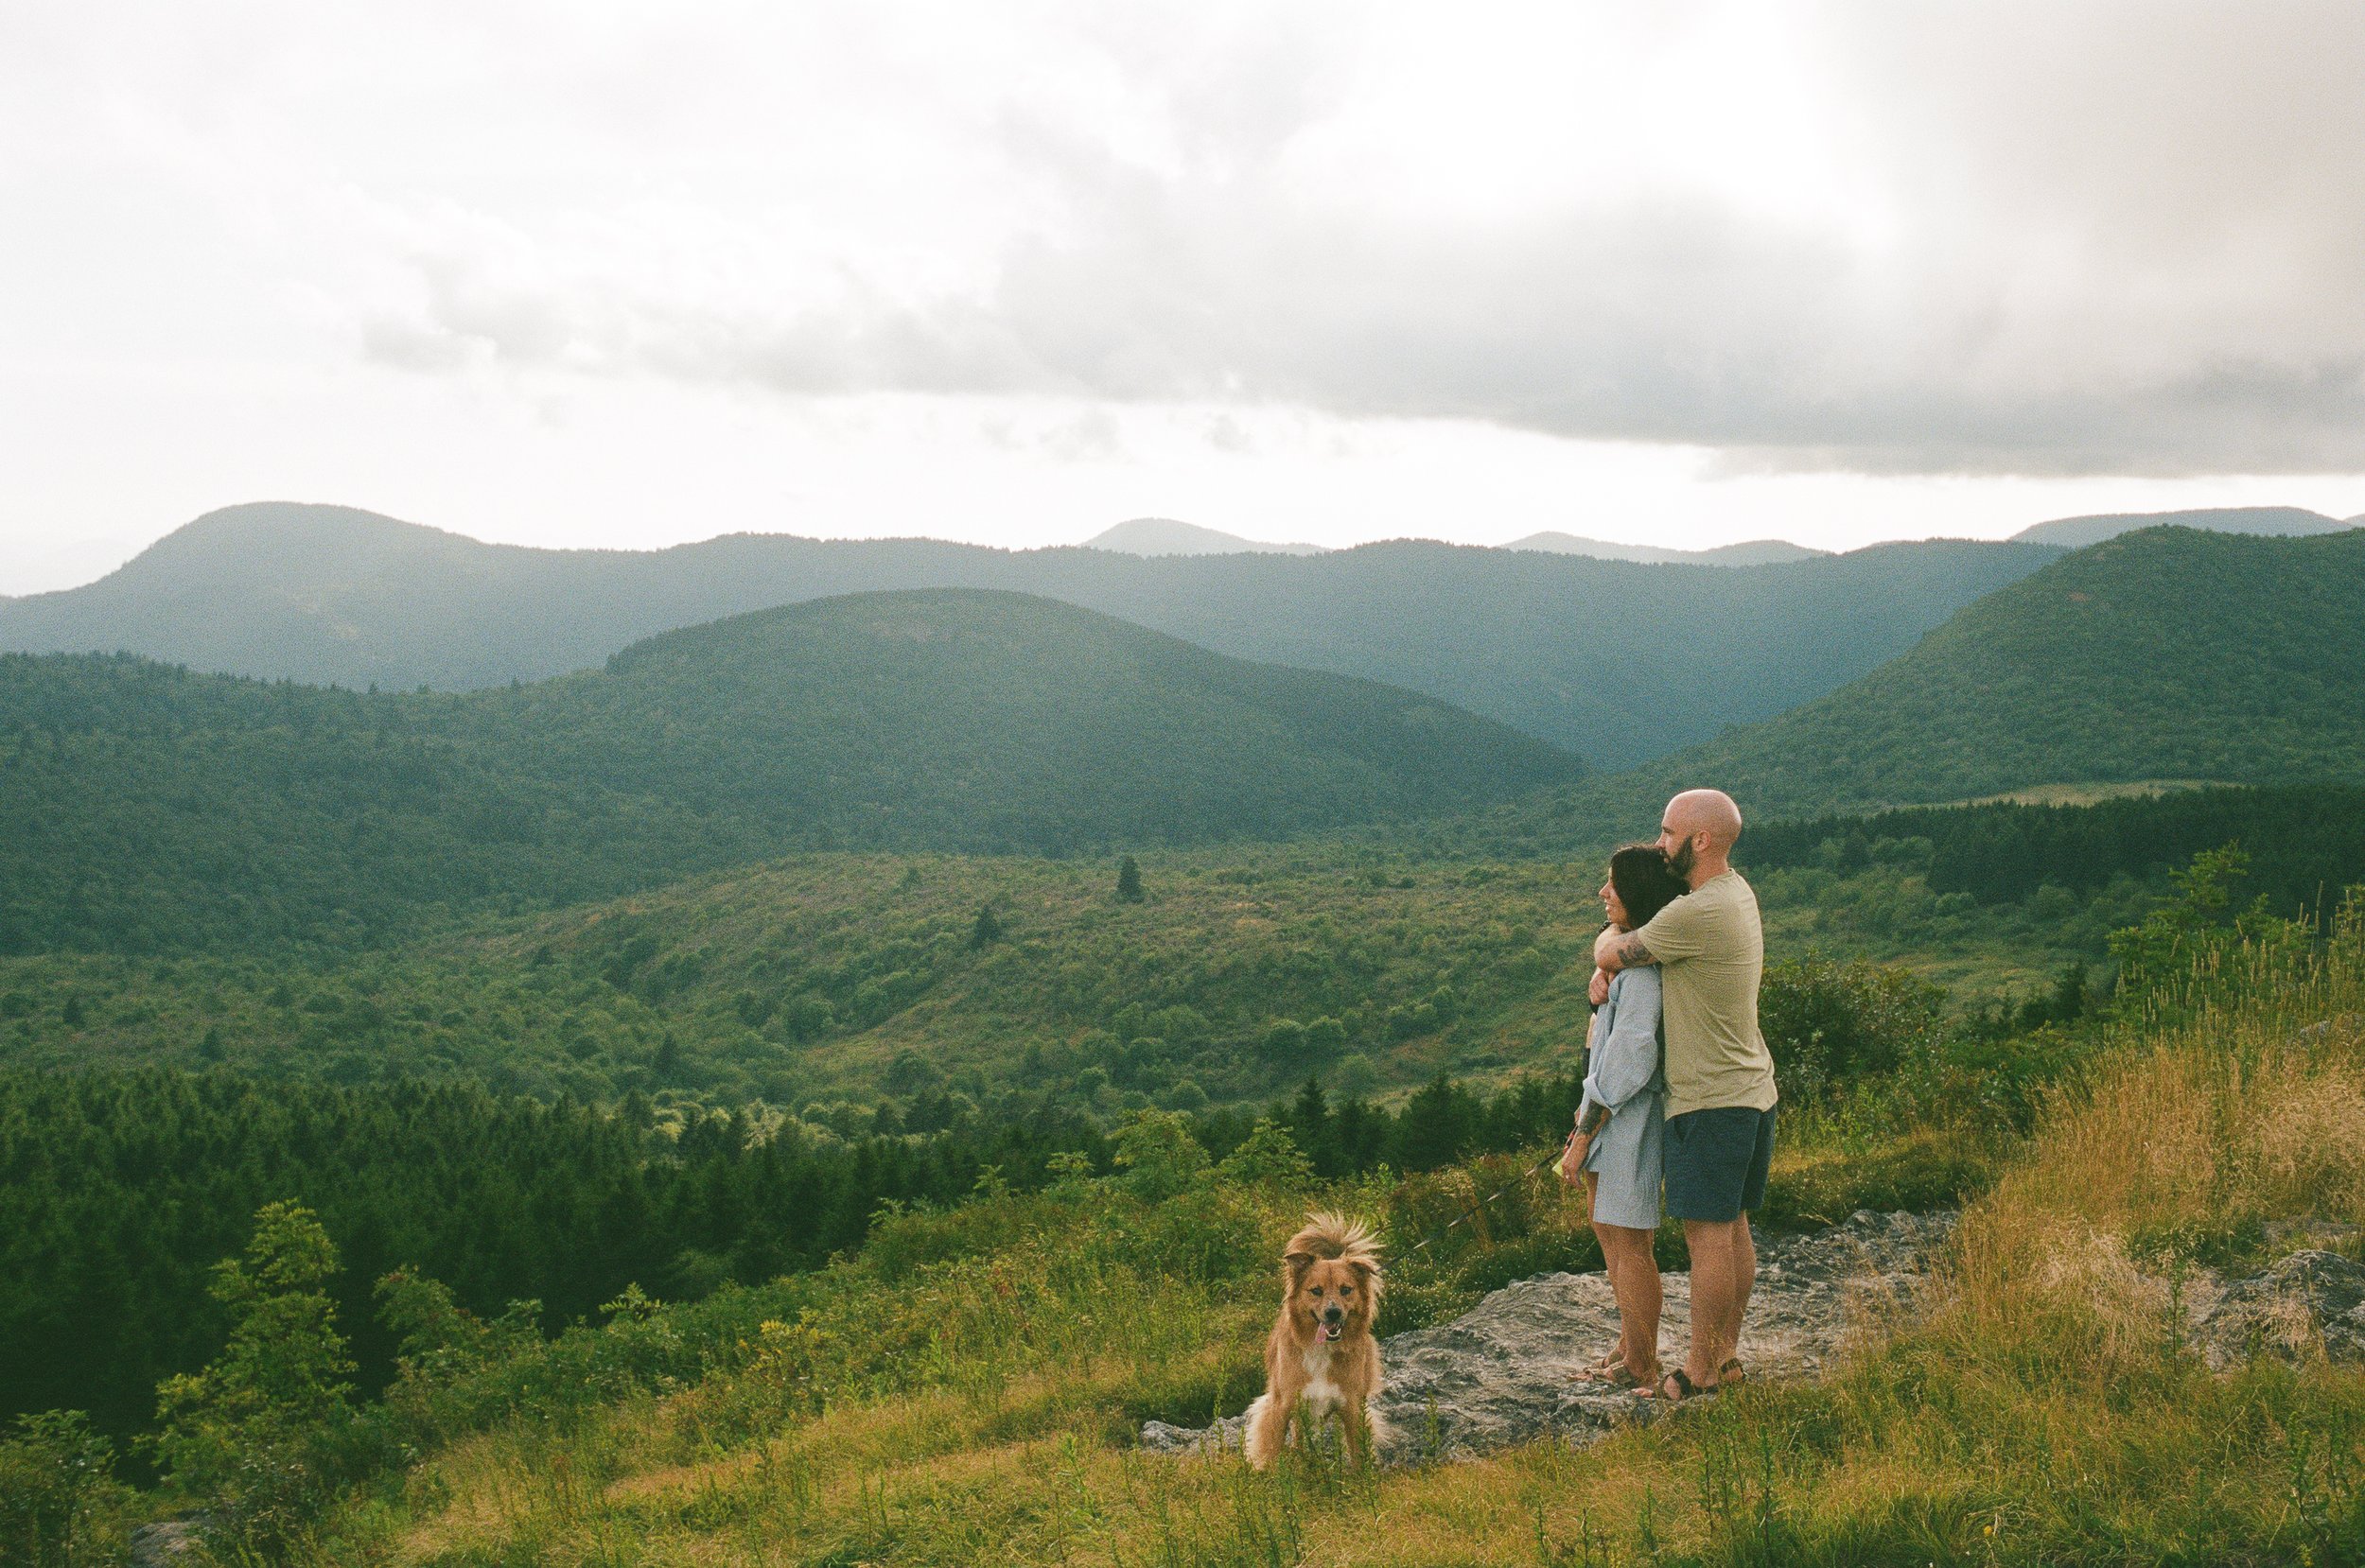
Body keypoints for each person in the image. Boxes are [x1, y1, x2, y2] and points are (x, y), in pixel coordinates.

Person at [1591, 789, 1778, 1403]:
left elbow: (1612, 947)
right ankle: (1724, 1357)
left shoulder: (1691, 915)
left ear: (1700, 840)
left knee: (1708, 1238)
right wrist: (1612, 963)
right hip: (1752, 1088)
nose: (1660, 843)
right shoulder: (1736, 894)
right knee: (1734, 1228)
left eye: (1668, 833)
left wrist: (1604, 962)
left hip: (1710, 1099)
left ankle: (1700, 1370)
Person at [1559, 844, 1690, 1390]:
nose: (1603, 892)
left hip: (1628, 1120)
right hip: (1608, 1114)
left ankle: (1642, 1361)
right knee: (1608, 1229)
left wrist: (1584, 1132)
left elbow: (1633, 1058)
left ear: (1636, 892)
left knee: (1629, 1240)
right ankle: (1629, 1343)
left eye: (1612, 884)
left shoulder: (1642, 977)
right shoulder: (1624, 964)